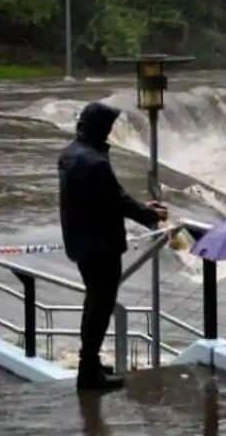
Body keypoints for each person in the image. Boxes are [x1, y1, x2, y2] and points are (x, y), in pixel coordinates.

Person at [58, 102, 167, 390]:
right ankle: (88, 372)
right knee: (100, 306)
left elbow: (106, 197)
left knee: (93, 303)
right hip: (101, 246)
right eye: (107, 129)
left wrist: (142, 209)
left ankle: (90, 363)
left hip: (80, 244)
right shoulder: (95, 162)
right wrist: (150, 215)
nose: (109, 134)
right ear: (98, 129)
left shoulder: (69, 155)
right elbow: (115, 201)